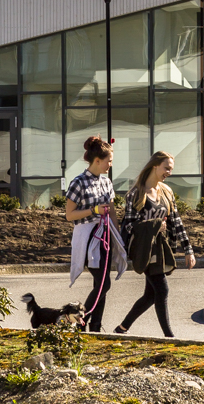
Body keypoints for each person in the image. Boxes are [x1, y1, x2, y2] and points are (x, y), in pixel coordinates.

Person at [114, 151, 196, 338]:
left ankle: (122, 328)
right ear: (154, 166)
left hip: (161, 249)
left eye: (171, 169)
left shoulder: (166, 192)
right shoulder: (136, 193)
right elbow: (128, 226)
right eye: (166, 168)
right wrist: (154, 225)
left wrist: (188, 249)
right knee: (162, 289)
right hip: (145, 250)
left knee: (151, 295)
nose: (169, 172)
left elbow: (176, 221)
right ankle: (169, 336)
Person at [65, 135, 125, 331]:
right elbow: (69, 215)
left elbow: (113, 211)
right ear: (97, 160)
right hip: (88, 236)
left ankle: (95, 327)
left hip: (105, 235)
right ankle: (80, 322)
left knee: (102, 283)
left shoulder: (106, 183)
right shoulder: (78, 182)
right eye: (108, 161)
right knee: (103, 284)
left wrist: (118, 234)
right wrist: (93, 211)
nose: (110, 165)